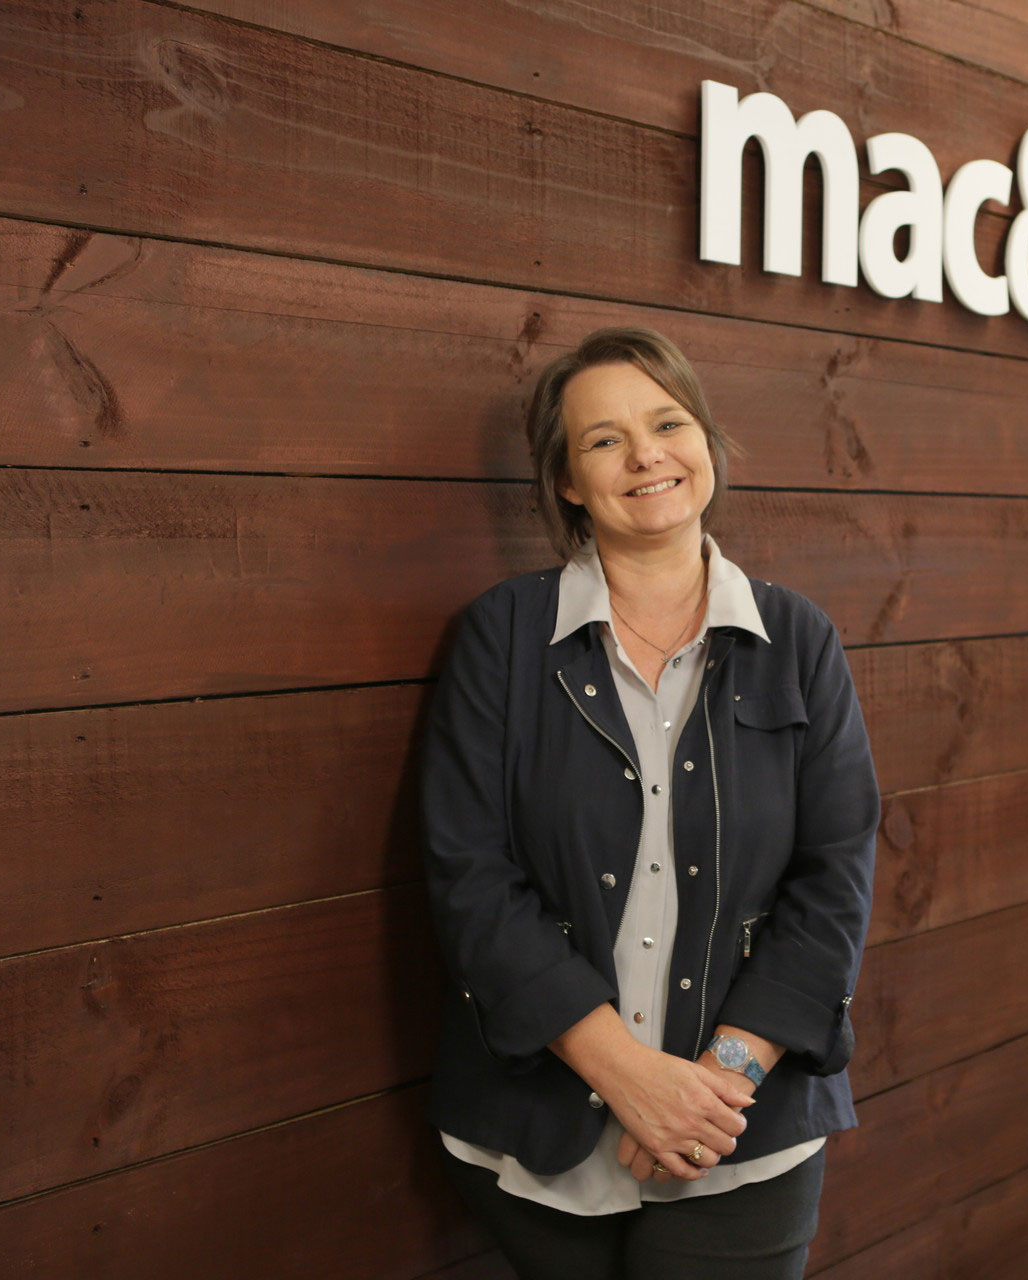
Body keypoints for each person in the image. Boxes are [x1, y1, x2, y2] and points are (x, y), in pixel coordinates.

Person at [420, 326, 881, 1280]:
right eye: (604, 439)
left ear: (705, 442)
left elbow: (835, 878)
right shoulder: (501, 636)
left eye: (668, 424)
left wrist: (713, 1089)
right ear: (566, 481)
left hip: (742, 1134)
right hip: (539, 1133)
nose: (646, 456)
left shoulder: (799, 640)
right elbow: (469, 876)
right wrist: (626, 1076)